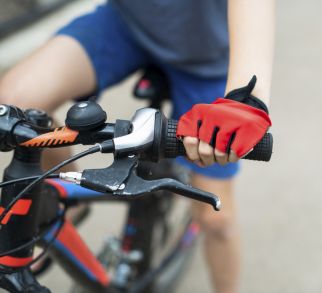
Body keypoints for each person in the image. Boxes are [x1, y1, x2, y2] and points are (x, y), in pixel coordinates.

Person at [0, 1, 274, 292]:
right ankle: (63, 202)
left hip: (208, 57)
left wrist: (246, 101)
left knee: (216, 219)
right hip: (126, 25)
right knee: (13, 104)